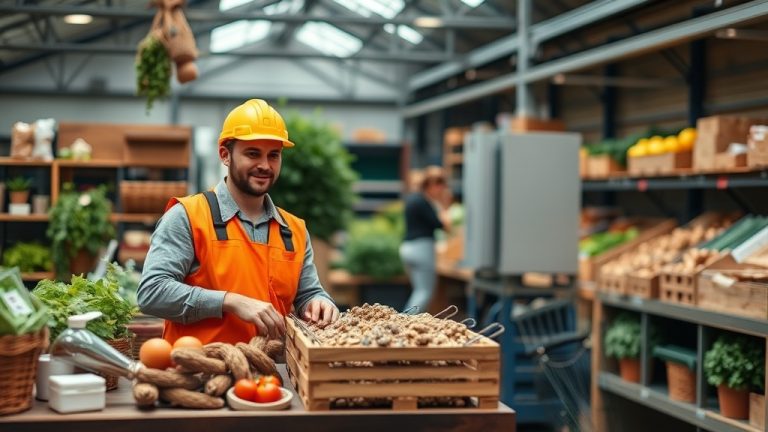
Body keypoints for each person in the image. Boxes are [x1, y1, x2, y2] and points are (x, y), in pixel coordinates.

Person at [138, 99, 339, 345]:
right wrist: (230, 301)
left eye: (273, 155)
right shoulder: (188, 216)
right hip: (199, 374)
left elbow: (308, 293)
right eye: (253, 154)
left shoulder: (293, 230)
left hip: (272, 377)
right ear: (225, 155)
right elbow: (152, 292)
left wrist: (320, 302)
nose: (265, 165)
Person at [400, 166, 452, 313]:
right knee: (424, 292)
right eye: (441, 186)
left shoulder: (413, 199)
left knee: (418, 290)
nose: (442, 190)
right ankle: (403, 324)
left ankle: (406, 323)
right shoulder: (424, 202)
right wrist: (444, 204)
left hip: (408, 247)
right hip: (422, 248)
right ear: (432, 185)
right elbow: (442, 225)